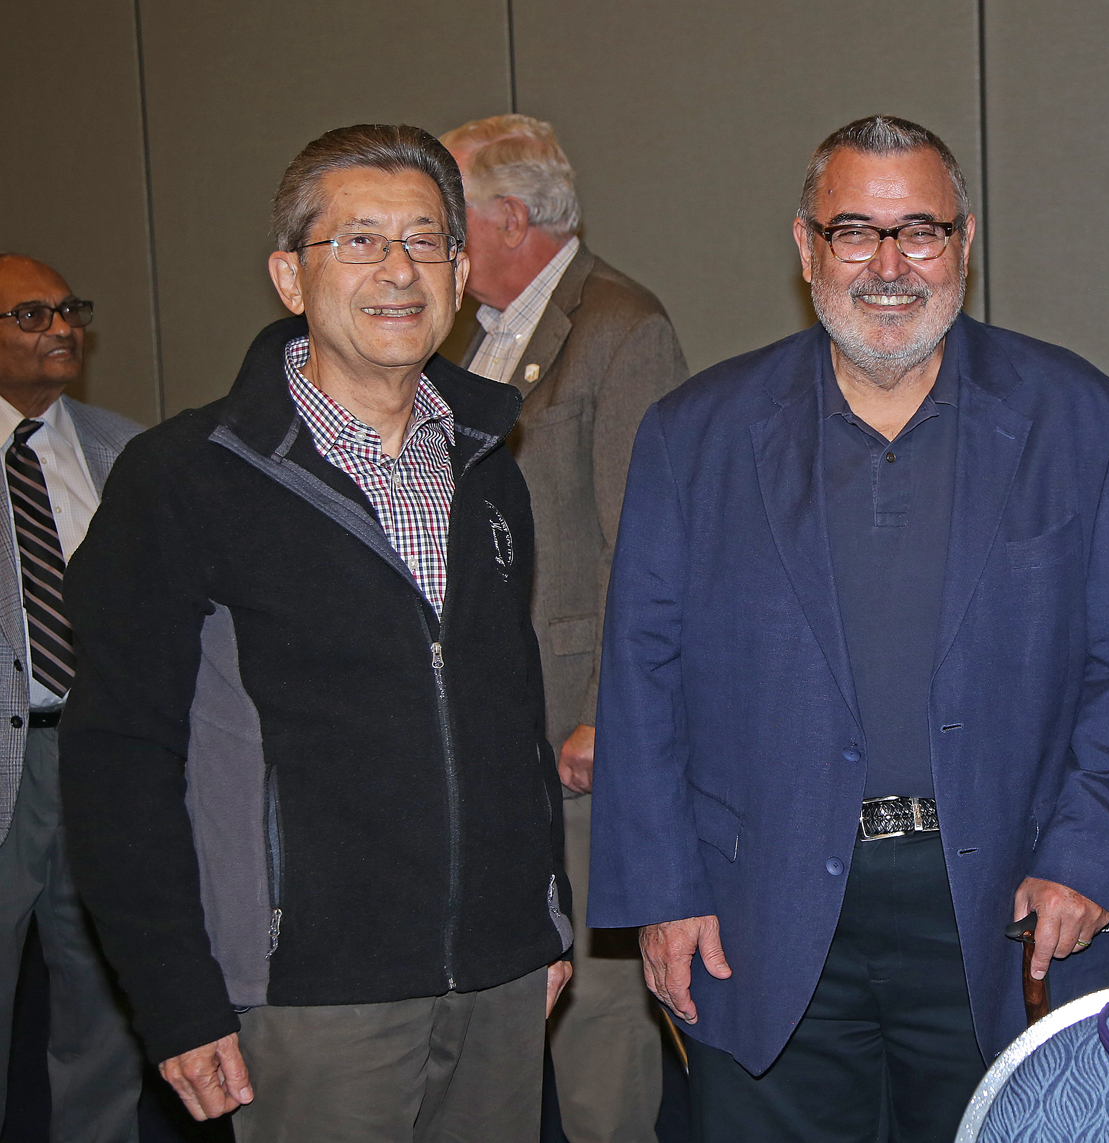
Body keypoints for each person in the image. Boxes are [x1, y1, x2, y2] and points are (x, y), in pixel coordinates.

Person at [590, 115, 1109, 1143]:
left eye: (923, 232)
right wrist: (660, 891)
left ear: (967, 242)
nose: (891, 264)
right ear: (806, 247)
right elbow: (643, 672)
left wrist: (1089, 858)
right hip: (754, 908)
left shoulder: (1089, 423)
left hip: (1005, 907)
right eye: (855, 230)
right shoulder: (696, 435)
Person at [58, 124, 573, 1142]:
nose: (397, 271)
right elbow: (118, 758)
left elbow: (512, 716)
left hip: (501, 984)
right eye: (359, 242)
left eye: (425, 242)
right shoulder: (185, 480)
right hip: (305, 996)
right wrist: (176, 995)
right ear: (290, 277)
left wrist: (543, 915)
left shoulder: (487, 469)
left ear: (463, 273)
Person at [440, 112, 686, 1143]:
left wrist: (608, 717)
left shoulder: (619, 325)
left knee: (593, 1004)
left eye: (446, 216)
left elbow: (654, 543)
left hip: (578, 736)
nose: (433, 244)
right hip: (488, 729)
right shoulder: (474, 337)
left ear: (507, 216)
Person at [0, 255, 142, 1142]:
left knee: (103, 1009)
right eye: (30, 313)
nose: (62, 329)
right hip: (4, 770)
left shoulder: (124, 449)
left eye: (69, 310)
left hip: (98, 757)